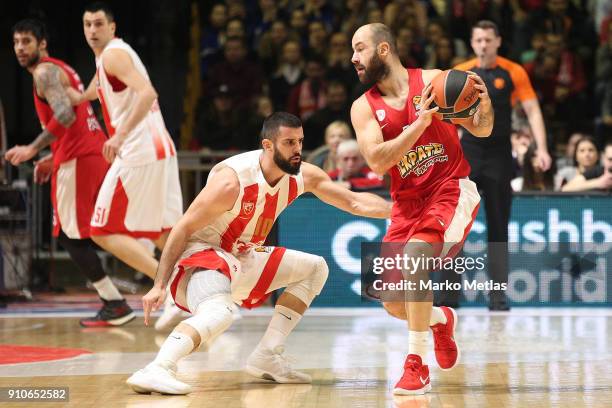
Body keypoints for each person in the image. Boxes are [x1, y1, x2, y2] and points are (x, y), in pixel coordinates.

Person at [126, 112, 392, 394]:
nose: (298, 150)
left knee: (316, 268)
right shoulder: (232, 182)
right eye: (289, 143)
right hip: (202, 258)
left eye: (300, 141)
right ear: (268, 145)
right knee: (221, 313)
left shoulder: (304, 175)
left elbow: (355, 202)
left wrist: (401, 210)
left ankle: (267, 356)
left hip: (241, 257)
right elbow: (181, 227)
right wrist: (159, 285)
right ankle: (157, 368)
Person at [350, 23, 492, 394]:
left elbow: (481, 130)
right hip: (406, 205)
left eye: (360, 48)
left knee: (415, 256)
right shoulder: (363, 108)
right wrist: (419, 124)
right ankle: (441, 319)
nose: (353, 58)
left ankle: (416, 365)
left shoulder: (434, 81)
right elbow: (379, 162)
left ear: (384, 49)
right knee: (394, 304)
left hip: (449, 189)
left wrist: (484, 110)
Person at [5, 19, 134, 326]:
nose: (21, 48)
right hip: (89, 152)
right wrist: (53, 155)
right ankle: (150, 284)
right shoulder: (60, 68)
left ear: (42, 43)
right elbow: (72, 118)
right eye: (16, 42)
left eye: (27, 42)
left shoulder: (44, 72)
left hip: (79, 159)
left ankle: (115, 302)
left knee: (69, 235)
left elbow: (63, 115)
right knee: (104, 229)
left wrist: (34, 149)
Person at [74, 3, 184, 330]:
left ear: (112, 26)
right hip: (159, 146)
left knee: (102, 231)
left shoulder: (112, 55)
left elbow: (148, 92)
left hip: (139, 149)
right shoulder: (108, 57)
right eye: (86, 25)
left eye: (97, 24)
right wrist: (75, 98)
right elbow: (99, 89)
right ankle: (210, 293)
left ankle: (173, 284)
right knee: (166, 232)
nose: (92, 30)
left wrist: (119, 136)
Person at [453, 20, 552, 311]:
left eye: (488, 40)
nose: (483, 45)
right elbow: (446, 114)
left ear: (498, 41)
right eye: (478, 40)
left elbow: (532, 110)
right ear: (472, 43)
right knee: (456, 226)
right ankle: (449, 295)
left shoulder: (513, 71)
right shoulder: (461, 71)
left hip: (499, 154)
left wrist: (542, 148)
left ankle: (497, 296)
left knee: (499, 227)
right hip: (468, 151)